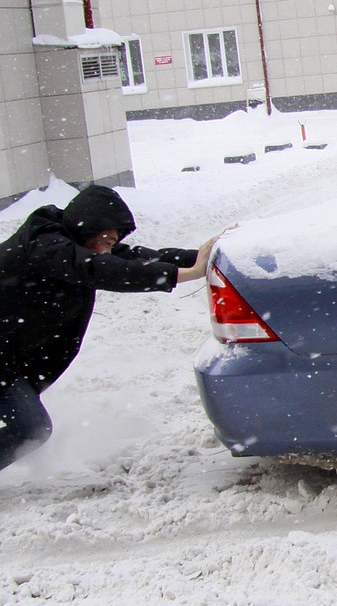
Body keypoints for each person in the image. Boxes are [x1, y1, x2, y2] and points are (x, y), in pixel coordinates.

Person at [0, 184, 216, 471]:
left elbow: (132, 257)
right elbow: (99, 269)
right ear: (87, 225)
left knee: (32, 428)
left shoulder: (74, 242)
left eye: (112, 241)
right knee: (31, 428)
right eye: (104, 239)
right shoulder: (45, 245)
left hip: (8, 360)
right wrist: (183, 275)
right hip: (5, 360)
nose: (108, 247)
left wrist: (203, 256)